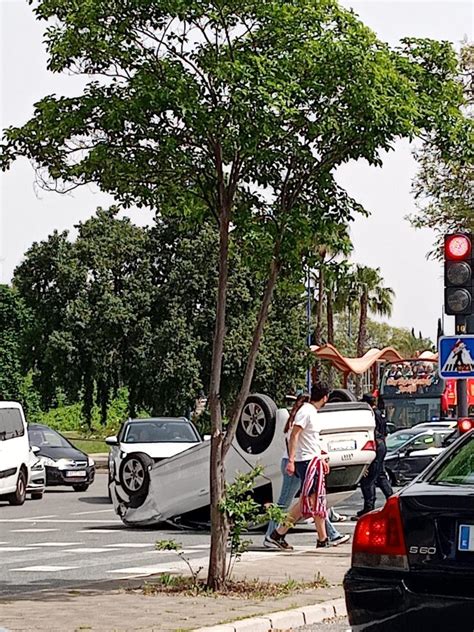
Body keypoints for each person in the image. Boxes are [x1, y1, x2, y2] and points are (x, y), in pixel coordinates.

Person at [263, 392, 350, 549]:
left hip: (303, 461)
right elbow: (295, 438)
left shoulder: (303, 413)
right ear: (324, 397)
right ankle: (274, 535)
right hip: (301, 462)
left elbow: (309, 441)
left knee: (314, 499)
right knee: (300, 501)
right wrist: (292, 461)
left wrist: (320, 455)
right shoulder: (305, 412)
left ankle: (326, 536)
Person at [353, 393, 393, 520]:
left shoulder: (371, 414)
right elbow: (385, 433)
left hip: (375, 445)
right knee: (381, 476)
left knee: (368, 479)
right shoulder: (380, 413)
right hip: (381, 445)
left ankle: (369, 508)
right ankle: (392, 500)